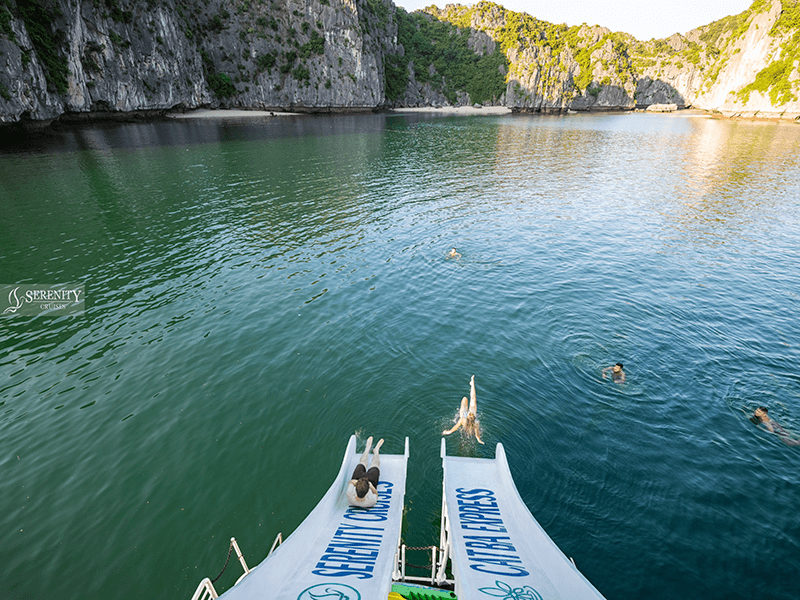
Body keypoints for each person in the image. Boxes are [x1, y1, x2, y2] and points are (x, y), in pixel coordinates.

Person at [443, 375, 484, 444]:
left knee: (464, 399)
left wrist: (448, 432)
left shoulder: (463, 420)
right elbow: (477, 435)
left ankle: (472, 383)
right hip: (470, 418)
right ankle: (472, 383)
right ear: (474, 417)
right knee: (473, 398)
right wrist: (479, 440)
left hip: (463, 415)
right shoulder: (476, 423)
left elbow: (455, 428)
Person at [346, 436, 384, 508]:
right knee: (375, 464)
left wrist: (357, 482)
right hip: (370, 482)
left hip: (358, 479)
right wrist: (370, 485)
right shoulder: (372, 501)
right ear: (367, 492)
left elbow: (350, 482)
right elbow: (375, 493)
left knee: (362, 463)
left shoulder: (349, 493)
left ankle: (367, 448)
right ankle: (376, 450)